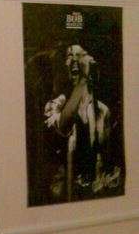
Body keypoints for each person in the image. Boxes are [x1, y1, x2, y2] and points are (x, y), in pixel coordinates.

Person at [43, 44, 120, 199]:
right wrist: (83, 79)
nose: (75, 60)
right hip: (63, 197)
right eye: (70, 56)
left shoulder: (103, 111)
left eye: (81, 55)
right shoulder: (54, 105)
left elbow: (106, 158)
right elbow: (63, 126)